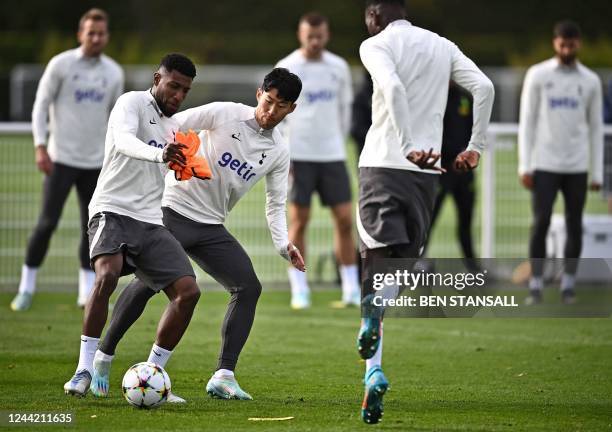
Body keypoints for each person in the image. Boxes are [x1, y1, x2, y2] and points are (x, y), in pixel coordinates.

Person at [89, 68, 305, 401]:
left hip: (211, 227)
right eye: (268, 100)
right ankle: (102, 359)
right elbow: (172, 125)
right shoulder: (226, 113)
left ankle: (218, 375)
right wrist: (177, 156)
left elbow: (275, 204)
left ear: (291, 109)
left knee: (248, 287)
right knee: (147, 285)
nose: (270, 111)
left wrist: (283, 245)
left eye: (281, 106)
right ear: (259, 92)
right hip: (170, 211)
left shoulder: (278, 150)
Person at [356, 0, 494, 424]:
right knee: (401, 267)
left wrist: (406, 141)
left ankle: (374, 367)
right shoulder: (442, 44)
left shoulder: (375, 44)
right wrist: (475, 148)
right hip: (427, 176)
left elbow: (392, 88)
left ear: (374, 17)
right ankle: (371, 375)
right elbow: (485, 88)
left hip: (383, 165)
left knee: (374, 269)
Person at [63, 54, 201, 400]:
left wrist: (187, 168)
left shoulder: (176, 126)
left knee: (188, 292)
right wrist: (160, 155)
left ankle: (155, 374)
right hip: (111, 209)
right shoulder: (132, 102)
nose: (178, 94)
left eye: (185, 89)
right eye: (173, 85)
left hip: (150, 220)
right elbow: (124, 141)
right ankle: (84, 368)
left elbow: (173, 163)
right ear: (157, 78)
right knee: (107, 274)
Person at [11, 8, 124, 312]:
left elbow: (117, 120)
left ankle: (86, 293)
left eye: (101, 33)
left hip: (96, 163)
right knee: (47, 223)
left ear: (107, 36)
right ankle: (26, 287)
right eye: (91, 33)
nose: (96, 38)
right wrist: (40, 146)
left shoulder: (113, 72)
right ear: (80, 34)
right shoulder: (61, 65)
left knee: (91, 227)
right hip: (60, 160)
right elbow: (40, 106)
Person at [276, 12, 360, 309]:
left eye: (320, 36)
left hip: (332, 155)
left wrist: (337, 140)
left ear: (327, 35)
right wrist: (285, 152)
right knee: (299, 222)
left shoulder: (338, 67)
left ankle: (351, 287)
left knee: (345, 220)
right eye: (309, 36)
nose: (315, 41)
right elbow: (277, 115)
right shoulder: (287, 66)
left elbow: (345, 110)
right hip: (298, 155)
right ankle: (300, 288)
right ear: (300, 35)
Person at [518, 20, 603, 305]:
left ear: (578, 43)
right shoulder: (538, 75)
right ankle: (536, 285)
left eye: (572, 43)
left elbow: (596, 128)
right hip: (544, 163)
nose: (567, 48)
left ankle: (568, 285)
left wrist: (597, 171)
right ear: (555, 43)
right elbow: (527, 122)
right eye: (562, 44)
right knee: (540, 222)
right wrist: (524, 165)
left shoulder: (590, 80)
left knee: (574, 224)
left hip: (577, 165)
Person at [424, 82, 479, 270]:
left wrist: (466, 153)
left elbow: (474, 130)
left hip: (463, 172)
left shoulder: (465, 98)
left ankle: (473, 267)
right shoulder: (431, 96)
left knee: (465, 222)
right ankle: (417, 263)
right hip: (440, 171)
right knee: (428, 221)